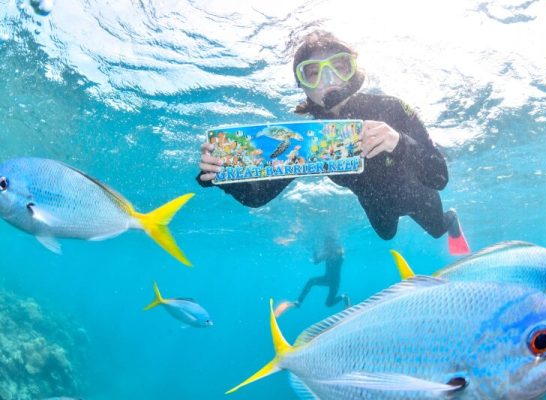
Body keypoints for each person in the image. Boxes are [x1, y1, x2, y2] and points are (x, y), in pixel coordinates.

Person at [198, 30, 469, 254]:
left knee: (436, 231)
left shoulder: (392, 109)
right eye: (313, 72)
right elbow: (258, 197)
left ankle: (451, 221)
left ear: (352, 71)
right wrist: (224, 176)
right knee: (386, 236)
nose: (328, 79)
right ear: (301, 85)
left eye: (339, 66)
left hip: (419, 194)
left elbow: (439, 178)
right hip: (374, 205)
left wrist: (398, 142)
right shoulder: (307, 140)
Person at [274, 235, 350, 318]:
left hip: (335, 282)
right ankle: (298, 302)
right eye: (326, 244)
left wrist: (334, 251)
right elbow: (316, 261)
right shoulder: (327, 253)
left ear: (333, 244)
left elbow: (340, 254)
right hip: (327, 279)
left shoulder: (338, 252)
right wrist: (314, 249)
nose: (326, 246)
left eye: (328, 244)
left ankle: (344, 296)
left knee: (329, 303)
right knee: (311, 281)